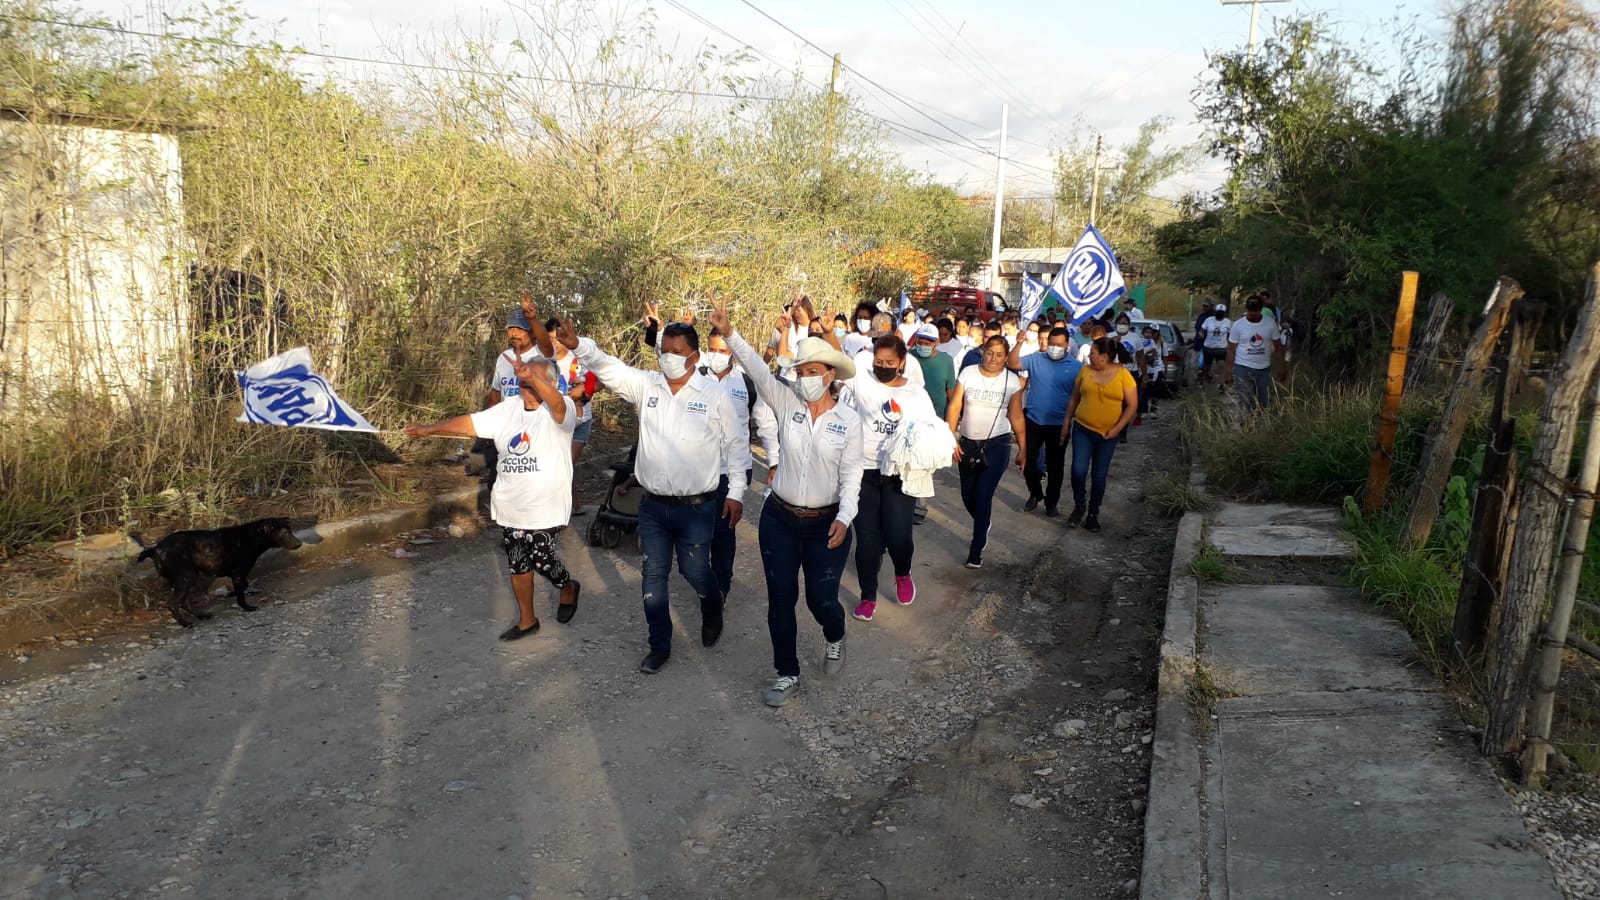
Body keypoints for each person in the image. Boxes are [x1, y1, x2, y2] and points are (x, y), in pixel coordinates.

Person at [559, 314, 750, 675]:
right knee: (653, 577)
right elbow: (609, 367)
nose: (668, 358)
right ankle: (659, 645)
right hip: (653, 507)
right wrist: (577, 346)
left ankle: (712, 607)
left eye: (676, 352)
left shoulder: (716, 396)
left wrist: (736, 493)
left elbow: (737, 448)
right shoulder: (648, 386)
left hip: (696, 507)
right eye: (664, 351)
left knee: (696, 573)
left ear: (694, 357)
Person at [712, 300, 862, 709]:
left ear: (830, 376)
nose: (805, 378)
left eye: (812, 372)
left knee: (821, 599)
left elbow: (852, 476)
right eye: (801, 371)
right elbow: (758, 370)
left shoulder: (848, 422)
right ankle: (786, 672)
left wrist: (846, 517)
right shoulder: (786, 401)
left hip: (826, 523)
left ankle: (835, 636)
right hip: (780, 518)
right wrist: (729, 332)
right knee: (780, 598)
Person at [405, 356, 580, 639]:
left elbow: (558, 405)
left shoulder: (562, 409)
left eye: (534, 377)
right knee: (518, 561)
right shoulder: (507, 409)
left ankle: (567, 586)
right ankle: (527, 620)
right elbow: (470, 424)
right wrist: (430, 429)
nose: (526, 380)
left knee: (541, 559)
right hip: (510, 503)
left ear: (551, 383)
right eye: (523, 376)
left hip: (545, 505)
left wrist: (532, 376)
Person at [843, 334, 939, 621]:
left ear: (902, 363)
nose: (882, 367)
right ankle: (868, 596)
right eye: (877, 362)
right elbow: (837, 362)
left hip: (899, 474)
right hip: (865, 473)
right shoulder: (863, 381)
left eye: (889, 362)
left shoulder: (916, 394)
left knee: (898, 536)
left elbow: (931, 429)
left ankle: (902, 572)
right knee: (868, 541)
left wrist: (945, 446)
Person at [699, 329, 781, 607]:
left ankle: (721, 585)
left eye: (722, 351)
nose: (716, 356)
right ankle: (701, 575)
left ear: (732, 353)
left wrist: (774, 461)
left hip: (733, 469)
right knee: (698, 530)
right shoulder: (695, 378)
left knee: (723, 530)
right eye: (712, 349)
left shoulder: (747, 383)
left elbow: (766, 424)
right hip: (698, 468)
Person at [946, 335, 1026, 569]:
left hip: (997, 444)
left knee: (982, 495)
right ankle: (984, 521)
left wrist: (1023, 447)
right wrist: (951, 437)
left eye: (1000, 355)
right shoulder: (968, 373)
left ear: (1005, 357)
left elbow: (1017, 415)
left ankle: (976, 548)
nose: (993, 358)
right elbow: (955, 406)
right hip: (969, 443)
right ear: (983, 351)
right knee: (968, 496)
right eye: (990, 353)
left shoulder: (1012, 381)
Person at [1061, 337, 1138, 533]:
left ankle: (1093, 514)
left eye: (1093, 353)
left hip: (1108, 436)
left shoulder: (1123, 375)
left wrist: (1118, 429)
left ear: (1104, 357)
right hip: (1083, 429)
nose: (1090, 355)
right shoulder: (1085, 371)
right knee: (1078, 470)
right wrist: (1066, 423)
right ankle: (1079, 506)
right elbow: (1074, 398)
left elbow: (1132, 406)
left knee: (1099, 476)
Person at [1010, 325, 1082, 517]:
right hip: (1033, 421)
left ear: (1067, 345)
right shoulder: (1035, 359)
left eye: (1058, 344)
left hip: (1059, 424)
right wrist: (1018, 343)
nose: (1054, 347)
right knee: (1028, 460)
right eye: (1051, 343)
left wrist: (1069, 422)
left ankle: (1052, 502)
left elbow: (1079, 396)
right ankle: (1035, 493)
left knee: (1056, 466)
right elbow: (1013, 363)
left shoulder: (1076, 368)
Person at [1225, 296, 1287, 411]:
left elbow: (1278, 346)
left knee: (1263, 401)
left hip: (1263, 368)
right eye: (1250, 310)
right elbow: (1231, 349)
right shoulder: (1238, 325)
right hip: (1243, 367)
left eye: (1256, 310)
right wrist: (1228, 372)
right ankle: (1248, 424)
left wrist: (1283, 367)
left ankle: (1259, 424)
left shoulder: (1270, 323)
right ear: (1246, 309)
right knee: (1246, 399)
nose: (1252, 313)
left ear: (1261, 309)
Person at [1198, 303, 1232, 385]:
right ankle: (1205, 380)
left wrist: (1229, 344)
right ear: (1215, 312)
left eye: (1221, 312)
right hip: (1208, 347)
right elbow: (1202, 330)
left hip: (1221, 348)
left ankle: (1221, 384)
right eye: (1218, 312)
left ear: (1224, 313)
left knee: (1221, 365)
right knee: (1207, 365)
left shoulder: (1228, 322)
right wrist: (1201, 335)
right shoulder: (1209, 320)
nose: (1219, 314)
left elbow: (1230, 335)